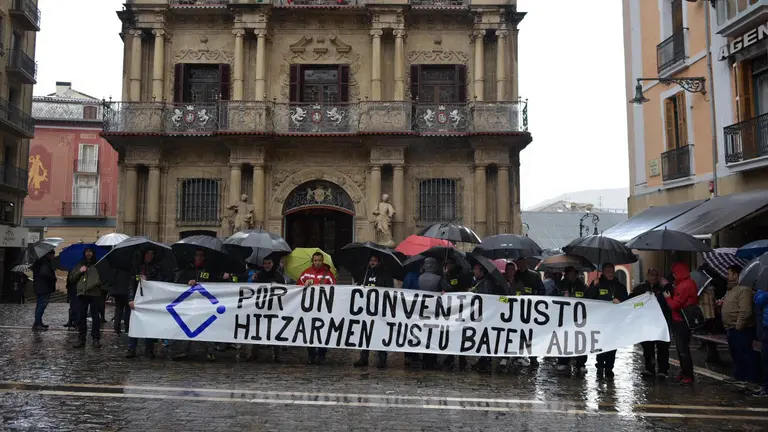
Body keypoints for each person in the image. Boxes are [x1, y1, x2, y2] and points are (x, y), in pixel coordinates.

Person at [173, 248, 230, 361]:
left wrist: (223, 278)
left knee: (207, 326)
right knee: (186, 326)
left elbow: (216, 283)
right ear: (194, 257)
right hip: (190, 303)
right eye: (197, 255)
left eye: (201, 255)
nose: (199, 257)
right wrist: (187, 282)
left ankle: (210, 351)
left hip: (205, 303)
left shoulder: (210, 269)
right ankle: (182, 350)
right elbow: (178, 282)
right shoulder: (188, 269)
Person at [719, 265, 759, 386]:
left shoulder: (744, 289)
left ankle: (752, 379)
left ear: (736, 274)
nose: (727, 276)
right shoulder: (731, 289)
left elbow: (745, 310)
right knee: (736, 354)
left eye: (729, 273)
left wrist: (739, 326)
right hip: (730, 327)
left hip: (741, 329)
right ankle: (739, 375)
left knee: (746, 353)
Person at [630, 268, 672, 379]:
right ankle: (649, 368)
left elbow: (670, 301)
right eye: (652, 275)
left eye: (656, 275)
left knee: (663, 347)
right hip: (646, 322)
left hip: (661, 322)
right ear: (647, 275)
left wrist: (667, 286)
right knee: (647, 347)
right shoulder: (640, 288)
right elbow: (633, 304)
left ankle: (663, 370)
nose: (654, 277)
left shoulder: (663, 288)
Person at [587, 263, 627, 378]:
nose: (610, 273)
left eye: (612, 270)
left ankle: (609, 367)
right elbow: (587, 298)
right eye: (607, 271)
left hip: (614, 321)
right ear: (603, 272)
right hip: (600, 320)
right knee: (601, 344)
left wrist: (620, 299)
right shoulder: (597, 284)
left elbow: (626, 300)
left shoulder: (620, 286)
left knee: (612, 345)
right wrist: (593, 287)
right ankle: (600, 366)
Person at [354, 255, 394, 369]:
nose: (372, 263)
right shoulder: (365, 273)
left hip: (380, 309)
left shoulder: (385, 274)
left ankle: (382, 359)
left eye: (375, 261)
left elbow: (390, 290)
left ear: (379, 262)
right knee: (365, 332)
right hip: (366, 308)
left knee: (380, 333)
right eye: (371, 260)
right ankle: (363, 357)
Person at [126, 249, 167, 359]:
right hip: (137, 300)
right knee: (134, 323)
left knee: (149, 324)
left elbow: (160, 282)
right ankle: (131, 348)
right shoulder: (137, 268)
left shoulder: (157, 268)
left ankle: (149, 348)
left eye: (152, 254)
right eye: (148, 253)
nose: (150, 256)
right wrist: (130, 299)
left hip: (150, 300)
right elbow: (131, 284)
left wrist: (148, 279)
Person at [247, 256, 288, 363]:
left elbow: (285, 290)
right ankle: (254, 353)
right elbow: (253, 290)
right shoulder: (259, 275)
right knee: (257, 330)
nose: (267, 265)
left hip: (274, 307)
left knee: (274, 330)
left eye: (269, 263)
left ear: (272, 264)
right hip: (261, 308)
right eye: (265, 263)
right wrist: (253, 280)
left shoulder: (278, 276)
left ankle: (277, 355)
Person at [663, 261, 699, 385]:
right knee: (681, 349)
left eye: (674, 273)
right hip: (681, 320)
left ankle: (688, 374)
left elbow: (675, 305)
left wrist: (668, 298)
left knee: (683, 349)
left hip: (681, 321)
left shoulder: (684, 285)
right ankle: (684, 372)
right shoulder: (687, 283)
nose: (673, 275)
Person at [297, 252, 336, 364]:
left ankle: (321, 355)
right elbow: (296, 288)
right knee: (309, 331)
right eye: (315, 260)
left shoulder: (329, 275)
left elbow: (334, 290)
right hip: (309, 308)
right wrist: (304, 284)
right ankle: (311, 354)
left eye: (319, 260)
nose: (317, 263)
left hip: (323, 308)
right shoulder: (306, 273)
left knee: (323, 331)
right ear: (312, 261)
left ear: (322, 261)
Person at [414, 257, 451, 369]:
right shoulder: (439, 278)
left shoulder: (420, 277)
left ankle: (425, 358)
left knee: (425, 333)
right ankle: (432, 358)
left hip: (423, 310)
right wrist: (445, 275)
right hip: (435, 310)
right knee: (433, 333)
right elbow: (448, 288)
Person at [469, 263, 505, 373]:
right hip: (481, 315)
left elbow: (486, 298)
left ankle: (486, 360)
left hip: (486, 315)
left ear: (482, 271)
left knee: (485, 337)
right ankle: (483, 359)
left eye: (476, 269)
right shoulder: (478, 281)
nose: (474, 271)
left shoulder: (487, 283)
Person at [556, 266, 590, 374]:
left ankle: (581, 363)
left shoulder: (582, 286)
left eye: (574, 274)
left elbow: (589, 298)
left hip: (579, 319)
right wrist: (562, 295)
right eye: (570, 274)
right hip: (564, 318)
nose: (572, 276)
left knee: (581, 340)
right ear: (566, 275)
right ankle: (563, 361)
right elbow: (553, 297)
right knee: (564, 339)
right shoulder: (560, 285)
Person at [68, 247, 103, 348]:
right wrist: (80, 271)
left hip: (95, 293)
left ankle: (95, 339)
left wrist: (99, 283)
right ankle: (81, 339)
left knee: (95, 317)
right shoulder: (79, 264)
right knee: (81, 317)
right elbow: (71, 279)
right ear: (84, 253)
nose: (88, 253)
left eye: (90, 251)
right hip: (82, 294)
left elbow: (104, 277)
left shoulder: (98, 264)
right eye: (87, 252)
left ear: (93, 253)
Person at [32, 250, 57, 331]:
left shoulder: (39, 262)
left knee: (40, 305)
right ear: (48, 255)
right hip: (44, 287)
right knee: (41, 305)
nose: (53, 257)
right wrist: (53, 278)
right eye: (52, 255)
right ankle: (37, 324)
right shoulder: (44, 262)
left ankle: (38, 322)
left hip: (40, 287)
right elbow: (45, 273)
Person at [753, 281, 768, 397]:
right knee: (766, 358)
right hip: (766, 327)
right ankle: (766, 387)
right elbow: (758, 300)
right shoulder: (764, 285)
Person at [110, 268, 133, 335]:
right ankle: (127, 328)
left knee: (118, 310)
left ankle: (117, 328)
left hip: (118, 293)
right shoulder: (130, 270)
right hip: (127, 292)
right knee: (128, 311)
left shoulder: (116, 270)